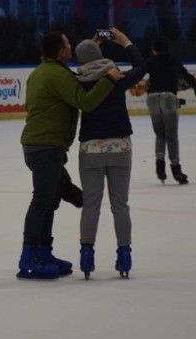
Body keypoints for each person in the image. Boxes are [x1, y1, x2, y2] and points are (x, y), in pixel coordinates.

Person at [17, 30, 124, 280]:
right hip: (45, 147)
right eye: (67, 44)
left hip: (42, 145)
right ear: (60, 51)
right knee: (42, 201)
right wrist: (109, 79)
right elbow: (85, 101)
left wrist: (93, 48)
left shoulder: (44, 71)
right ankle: (29, 257)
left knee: (51, 200)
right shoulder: (55, 74)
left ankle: (43, 253)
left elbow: (70, 81)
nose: (70, 47)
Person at [74, 28, 147, 280]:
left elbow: (88, 66)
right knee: (120, 205)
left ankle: (86, 254)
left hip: (90, 150)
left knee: (91, 206)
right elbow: (141, 67)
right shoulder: (116, 77)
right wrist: (125, 42)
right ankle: (124, 254)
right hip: (119, 148)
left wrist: (90, 49)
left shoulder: (77, 80)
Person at [145, 36, 196, 184]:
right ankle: (176, 169)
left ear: (154, 49)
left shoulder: (150, 61)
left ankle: (160, 166)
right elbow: (188, 76)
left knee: (160, 134)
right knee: (171, 136)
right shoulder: (174, 60)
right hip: (168, 98)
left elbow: (137, 74)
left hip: (152, 99)